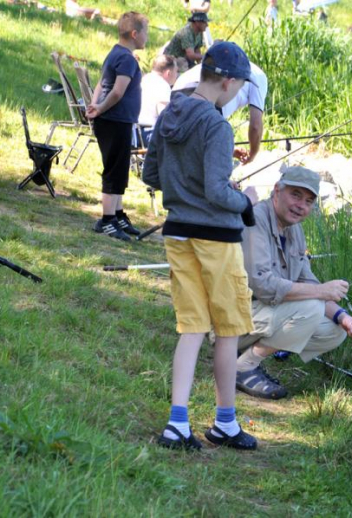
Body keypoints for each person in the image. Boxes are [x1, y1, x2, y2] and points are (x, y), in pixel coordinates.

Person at [143, 41, 260, 451]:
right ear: (227, 82)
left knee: (191, 326)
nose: (238, 94)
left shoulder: (170, 113)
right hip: (217, 239)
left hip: (177, 232)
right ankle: (225, 422)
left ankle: (178, 423)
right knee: (228, 329)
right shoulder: (216, 125)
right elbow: (216, 192)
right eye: (239, 87)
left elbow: (151, 174)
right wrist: (246, 200)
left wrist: (186, 186)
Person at [236, 167, 352, 400]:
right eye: (295, 195)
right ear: (277, 190)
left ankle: (247, 355)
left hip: (262, 316)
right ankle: (243, 367)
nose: (301, 206)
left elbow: (308, 284)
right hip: (231, 320)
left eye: (308, 201)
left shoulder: (294, 230)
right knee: (312, 308)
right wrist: (321, 291)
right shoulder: (255, 219)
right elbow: (262, 284)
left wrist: (343, 317)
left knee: (335, 331)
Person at [87, 11, 147, 241]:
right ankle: (108, 220)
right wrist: (99, 109)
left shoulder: (115, 54)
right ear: (134, 34)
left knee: (120, 168)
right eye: (146, 33)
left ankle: (118, 214)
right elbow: (117, 91)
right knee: (114, 169)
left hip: (115, 120)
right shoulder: (127, 59)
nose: (147, 38)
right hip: (115, 120)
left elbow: (101, 83)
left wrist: (94, 104)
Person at [173, 60, 268, 164]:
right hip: (206, 98)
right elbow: (255, 125)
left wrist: (229, 151)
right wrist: (252, 155)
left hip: (178, 89)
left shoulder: (219, 59)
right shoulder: (259, 76)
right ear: (229, 83)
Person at [138, 54, 178, 143]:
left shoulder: (143, 80)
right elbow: (164, 116)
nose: (177, 75)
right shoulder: (163, 85)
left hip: (135, 133)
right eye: (176, 71)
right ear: (168, 73)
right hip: (150, 133)